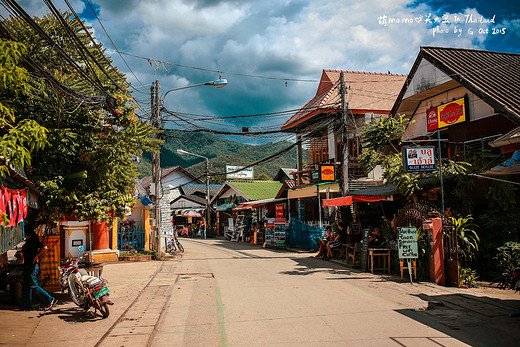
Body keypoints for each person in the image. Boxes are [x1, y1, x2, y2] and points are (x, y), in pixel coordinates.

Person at [18, 230, 57, 311]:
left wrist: (37, 255)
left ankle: (49, 299)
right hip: (28, 264)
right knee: (27, 286)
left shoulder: (33, 241)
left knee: (33, 285)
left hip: (32, 266)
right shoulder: (28, 241)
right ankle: (26, 305)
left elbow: (45, 247)